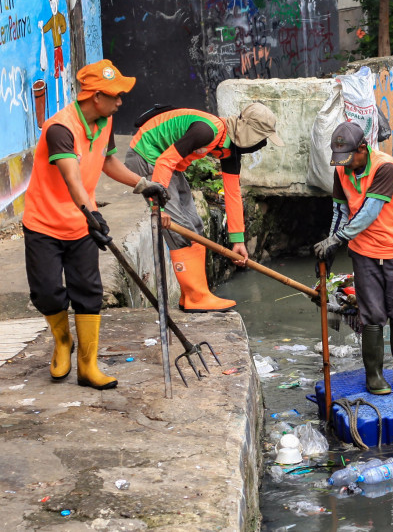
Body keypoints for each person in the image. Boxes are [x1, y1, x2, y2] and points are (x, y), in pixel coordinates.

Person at [22, 60, 168, 390]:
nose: (120, 102)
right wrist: (94, 214)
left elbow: (107, 161)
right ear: (96, 96)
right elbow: (72, 177)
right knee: (46, 292)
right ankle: (63, 342)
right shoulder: (60, 128)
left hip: (80, 225)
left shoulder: (104, 120)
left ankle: (88, 366)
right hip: (44, 224)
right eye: (115, 96)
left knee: (88, 293)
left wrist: (142, 184)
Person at [125, 103, 283, 312]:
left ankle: (196, 294)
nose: (261, 144)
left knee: (196, 226)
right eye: (261, 138)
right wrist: (159, 208)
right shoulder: (206, 131)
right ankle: (196, 298)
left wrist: (238, 240)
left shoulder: (229, 150)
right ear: (248, 132)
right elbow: (165, 161)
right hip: (147, 156)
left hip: (168, 164)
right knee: (177, 227)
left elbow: (233, 193)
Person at [312, 122, 393, 395]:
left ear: (363, 149)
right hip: (364, 252)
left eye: (350, 159)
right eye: (341, 161)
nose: (346, 166)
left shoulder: (385, 167)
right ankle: (374, 376)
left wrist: (338, 239)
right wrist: (330, 246)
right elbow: (340, 210)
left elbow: (370, 211)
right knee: (372, 316)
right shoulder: (342, 170)